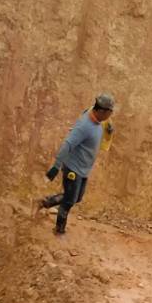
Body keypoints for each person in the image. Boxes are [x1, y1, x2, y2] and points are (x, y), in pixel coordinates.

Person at [40, 93, 115, 235]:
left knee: (77, 197)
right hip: (73, 169)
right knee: (69, 201)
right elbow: (67, 145)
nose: (110, 115)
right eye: (109, 112)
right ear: (101, 111)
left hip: (84, 169)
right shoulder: (84, 127)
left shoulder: (95, 114)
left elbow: (88, 112)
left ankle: (46, 202)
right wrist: (55, 167)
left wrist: (109, 132)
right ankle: (59, 230)